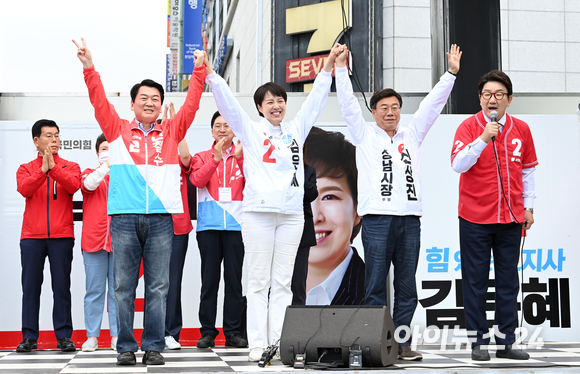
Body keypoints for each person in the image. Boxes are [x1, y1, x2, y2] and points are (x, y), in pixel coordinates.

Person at [73, 38, 206, 366]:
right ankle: (125, 347)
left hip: (162, 219)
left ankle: (153, 345)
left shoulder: (171, 132)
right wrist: (90, 67)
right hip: (123, 218)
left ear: (161, 106)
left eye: (155, 99)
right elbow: (98, 101)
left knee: (159, 286)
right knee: (123, 288)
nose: (150, 103)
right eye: (143, 98)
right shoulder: (117, 130)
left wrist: (200, 70)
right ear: (132, 104)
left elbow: (191, 104)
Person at [205, 45, 342, 361]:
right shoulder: (251, 132)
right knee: (258, 282)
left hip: (292, 216)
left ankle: (279, 343)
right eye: (270, 102)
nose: (277, 106)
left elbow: (315, 101)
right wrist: (212, 75)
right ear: (259, 107)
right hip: (258, 215)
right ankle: (256, 343)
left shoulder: (295, 130)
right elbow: (229, 107)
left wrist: (328, 67)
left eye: (281, 100)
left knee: (282, 283)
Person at [334, 44, 462, 360]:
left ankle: (402, 343)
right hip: (377, 219)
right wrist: (340, 67)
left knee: (407, 287)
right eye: (384, 108)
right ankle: (377, 343)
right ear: (374, 112)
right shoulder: (363, 135)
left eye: (395, 107)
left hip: (409, 220)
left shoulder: (412, 134)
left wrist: (450, 74)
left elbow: (432, 107)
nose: (391, 112)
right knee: (376, 284)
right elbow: (348, 104)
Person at [451, 70, 537, 361]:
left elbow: (528, 171)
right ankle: (478, 342)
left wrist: (529, 206)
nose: (492, 99)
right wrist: (483, 138)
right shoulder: (468, 127)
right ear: (480, 99)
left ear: (509, 100)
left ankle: (507, 341)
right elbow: (458, 165)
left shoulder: (522, 129)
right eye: (487, 94)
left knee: (508, 281)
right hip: (475, 218)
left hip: (511, 218)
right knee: (475, 281)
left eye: (499, 94)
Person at [16, 119, 81, 353]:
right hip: (32, 237)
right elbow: (24, 188)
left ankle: (64, 336)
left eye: (57, 135)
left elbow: (74, 186)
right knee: (31, 287)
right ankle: (29, 337)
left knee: (62, 287)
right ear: (36, 140)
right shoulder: (25, 168)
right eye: (48, 135)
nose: (54, 140)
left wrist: (52, 168)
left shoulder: (70, 166)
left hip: (62, 236)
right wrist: (42, 171)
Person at [189, 111, 247, 349]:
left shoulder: (245, 155)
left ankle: (232, 332)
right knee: (209, 281)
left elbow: (255, 182)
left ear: (234, 130)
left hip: (237, 227)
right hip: (209, 227)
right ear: (212, 131)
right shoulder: (202, 156)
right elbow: (197, 181)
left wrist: (242, 159)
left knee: (234, 281)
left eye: (227, 126)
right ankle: (208, 332)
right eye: (217, 126)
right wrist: (215, 159)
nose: (222, 129)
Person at [303, 127, 365, 306]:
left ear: (358, 209)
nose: (315, 216)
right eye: (301, 198)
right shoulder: (252, 305)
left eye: (329, 196)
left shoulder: (375, 295)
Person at [80, 133, 118, 352]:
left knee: (117, 292)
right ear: (97, 153)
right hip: (94, 242)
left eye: (111, 148)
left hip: (120, 242)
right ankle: (92, 337)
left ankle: (117, 336)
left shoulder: (124, 176)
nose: (107, 152)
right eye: (104, 148)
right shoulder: (90, 173)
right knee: (94, 291)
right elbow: (88, 185)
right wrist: (106, 167)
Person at [163, 103, 195, 350]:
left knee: (173, 281)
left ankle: (169, 332)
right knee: (154, 282)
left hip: (177, 228)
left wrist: (177, 128)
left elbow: (186, 157)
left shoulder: (178, 159)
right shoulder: (150, 158)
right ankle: (151, 331)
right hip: (150, 224)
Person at [290, 161, 317, 306]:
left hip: (302, 231)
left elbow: (312, 194)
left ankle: (297, 323)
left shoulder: (308, 170)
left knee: (298, 282)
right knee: (277, 280)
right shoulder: (275, 169)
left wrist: (297, 171)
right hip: (278, 228)